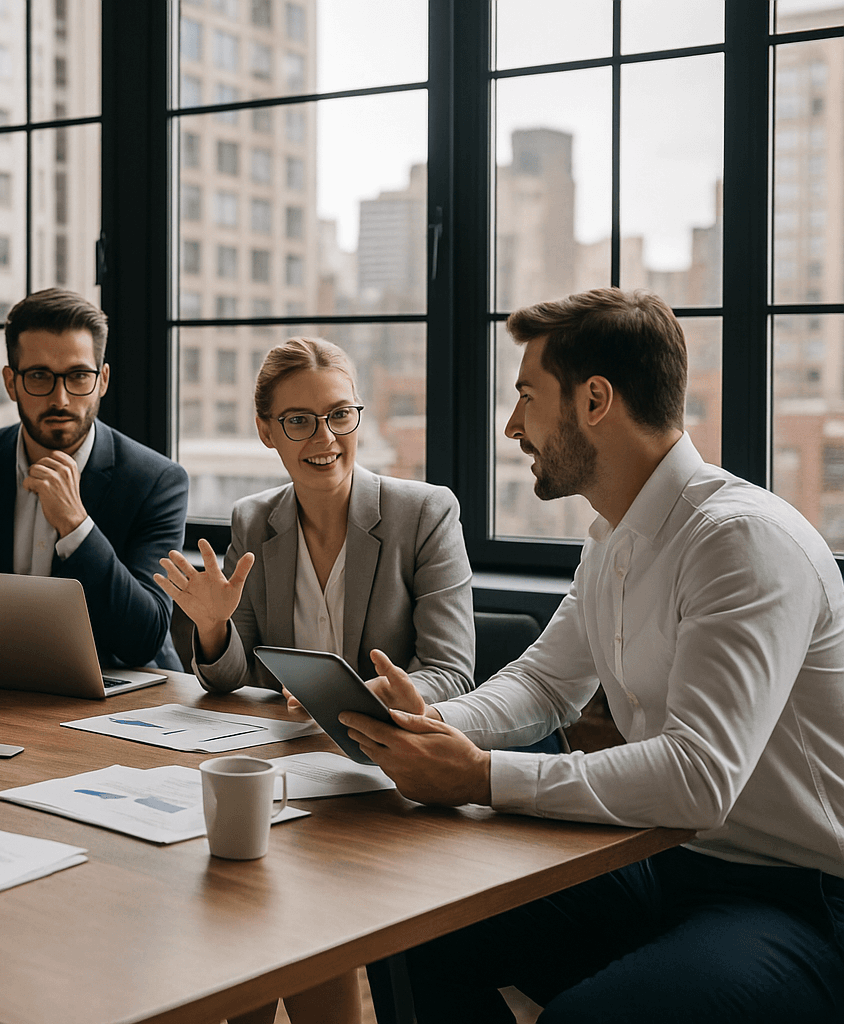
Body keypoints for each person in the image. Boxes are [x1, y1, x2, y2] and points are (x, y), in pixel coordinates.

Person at [341, 288, 844, 1023]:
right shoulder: (613, 537)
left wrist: (480, 776)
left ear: (596, 400)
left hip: (797, 896)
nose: (512, 426)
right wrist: (434, 721)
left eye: (526, 397)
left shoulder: (739, 541)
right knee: (414, 917)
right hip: (657, 863)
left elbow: (698, 777)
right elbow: (546, 683)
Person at [154, 336, 474, 1024]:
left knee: (263, 903)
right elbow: (233, 680)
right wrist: (212, 630)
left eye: (339, 415)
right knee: (234, 894)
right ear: (266, 429)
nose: (323, 437)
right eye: (298, 420)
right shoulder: (253, 521)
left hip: (384, 776)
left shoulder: (424, 514)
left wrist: (377, 696)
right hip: (289, 773)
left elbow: (451, 671)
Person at [0, 287, 190, 676]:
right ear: (11, 383)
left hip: (124, 699)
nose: (60, 398)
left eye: (79, 376)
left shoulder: (157, 481)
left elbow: (143, 637)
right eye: (40, 376)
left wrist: (77, 526)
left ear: (103, 379)